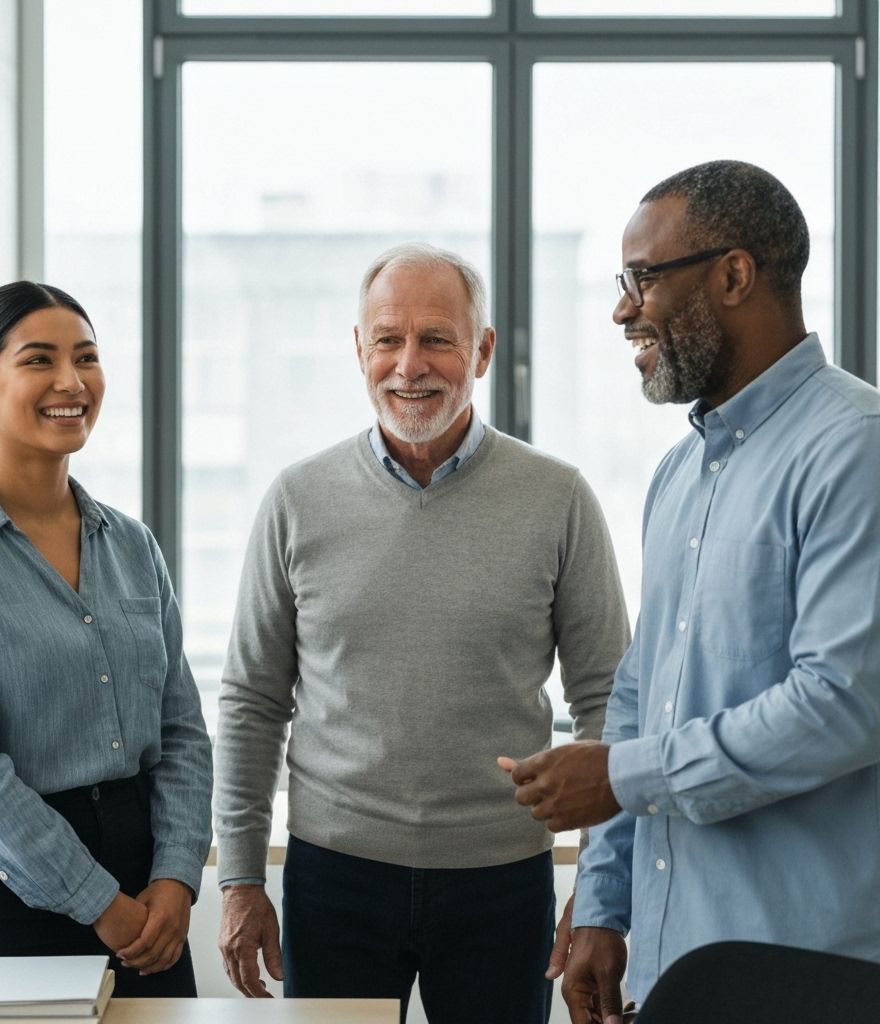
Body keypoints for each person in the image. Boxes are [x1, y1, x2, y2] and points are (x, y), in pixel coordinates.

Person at [501, 161, 880, 1023]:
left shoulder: (854, 449)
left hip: (806, 968)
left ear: (734, 275)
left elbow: (845, 705)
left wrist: (624, 778)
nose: (622, 308)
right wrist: (603, 899)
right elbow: (640, 700)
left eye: (642, 279)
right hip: (680, 964)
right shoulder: (678, 475)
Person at [214, 242, 631, 1023]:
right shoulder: (297, 499)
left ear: (482, 349)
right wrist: (239, 880)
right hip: (333, 876)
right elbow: (251, 701)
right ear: (359, 349)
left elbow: (611, 700)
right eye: (388, 339)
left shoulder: (558, 498)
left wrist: (602, 888)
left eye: (437, 338)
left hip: (502, 880)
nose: (411, 364)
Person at [0, 282, 212, 996]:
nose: (72, 381)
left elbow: (182, 731)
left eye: (87, 358)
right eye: (40, 360)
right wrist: (98, 902)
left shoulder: (131, 544)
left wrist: (177, 877)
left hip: (145, 895)